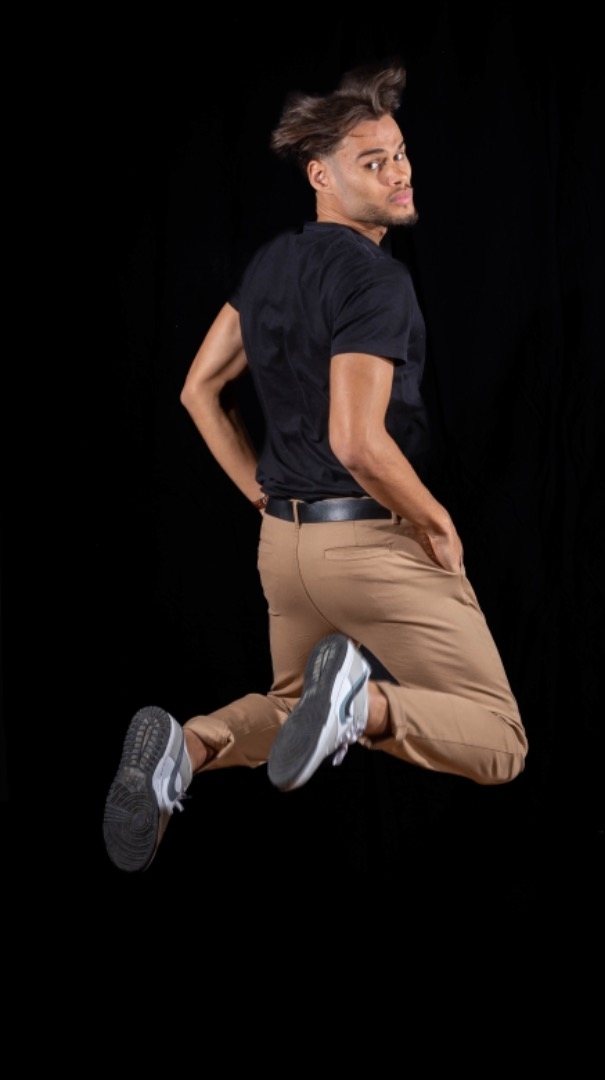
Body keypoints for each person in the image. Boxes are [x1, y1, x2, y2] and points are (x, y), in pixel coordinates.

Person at [103, 58, 528, 873]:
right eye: (374, 162)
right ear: (320, 176)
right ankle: (362, 706)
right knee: (500, 740)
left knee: (292, 706)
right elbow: (356, 442)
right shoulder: (376, 281)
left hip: (287, 550)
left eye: (400, 153)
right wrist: (437, 520)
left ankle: (188, 748)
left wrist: (262, 497)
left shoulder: (272, 264)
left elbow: (198, 389)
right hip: (370, 544)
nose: (399, 173)